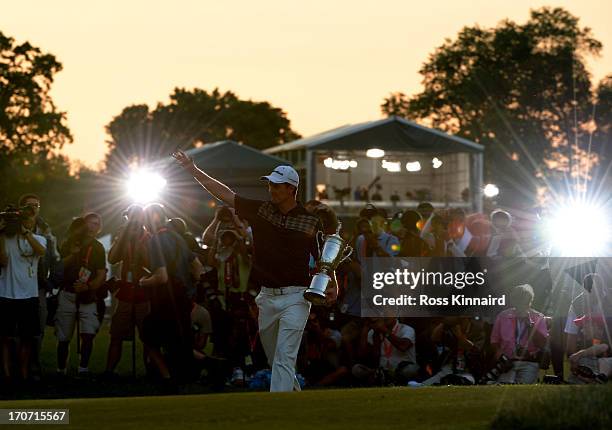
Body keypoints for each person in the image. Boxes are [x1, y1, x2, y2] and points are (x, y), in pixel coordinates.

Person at [173, 149, 334, 392]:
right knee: (276, 360)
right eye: (270, 185)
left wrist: (332, 284)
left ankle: (279, 415)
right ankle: (298, 403)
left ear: (291, 189)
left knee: (283, 358)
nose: (271, 189)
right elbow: (224, 194)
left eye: (277, 186)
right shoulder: (261, 210)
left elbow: (324, 259)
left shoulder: (311, 221)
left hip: (297, 297)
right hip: (266, 298)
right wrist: (192, 170)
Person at [139, 203, 203, 389]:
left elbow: (161, 276)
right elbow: (197, 267)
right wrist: (191, 288)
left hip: (165, 298)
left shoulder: (155, 241)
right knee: (178, 342)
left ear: (154, 218)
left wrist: (143, 281)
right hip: (183, 297)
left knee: (148, 335)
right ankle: (208, 366)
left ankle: (168, 378)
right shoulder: (178, 237)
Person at [55, 214, 106, 377]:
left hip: (88, 296)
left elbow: (101, 274)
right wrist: (73, 254)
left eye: (97, 224)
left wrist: (88, 286)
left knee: (88, 334)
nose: (94, 226)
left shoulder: (98, 247)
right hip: (68, 294)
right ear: (84, 224)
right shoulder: (68, 242)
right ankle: (61, 370)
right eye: (91, 223)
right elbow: (59, 267)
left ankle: (83, 369)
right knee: (63, 337)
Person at [103, 205, 151, 379]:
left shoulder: (148, 237)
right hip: (125, 293)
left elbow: (151, 263)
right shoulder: (122, 237)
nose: (133, 221)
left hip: (144, 292)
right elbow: (113, 258)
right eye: (130, 217)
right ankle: (109, 371)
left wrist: (139, 243)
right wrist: (123, 236)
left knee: (148, 337)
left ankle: (150, 370)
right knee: (116, 335)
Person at [0, 206, 47, 385]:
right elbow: (3, 261)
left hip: (29, 295)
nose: (25, 222)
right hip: (6, 294)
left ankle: (24, 373)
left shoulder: (39, 239)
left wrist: (25, 233)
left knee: (27, 337)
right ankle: (6, 374)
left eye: (28, 220)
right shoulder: (4, 238)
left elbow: (41, 252)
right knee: (5, 337)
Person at [490, 284, 548, 384]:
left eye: (524, 301)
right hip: (508, 362)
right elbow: (494, 340)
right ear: (513, 301)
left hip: (529, 362)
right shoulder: (503, 316)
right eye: (518, 300)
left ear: (530, 301)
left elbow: (542, 343)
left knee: (523, 387)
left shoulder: (538, 317)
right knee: (504, 386)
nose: (521, 304)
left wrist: (529, 324)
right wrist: (500, 356)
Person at [352, 317, 419, 386]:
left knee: (410, 370)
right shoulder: (374, 332)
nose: (385, 316)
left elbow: (403, 346)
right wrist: (366, 330)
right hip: (382, 370)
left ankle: (389, 380)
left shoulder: (407, 329)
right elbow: (362, 354)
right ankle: (383, 378)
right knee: (356, 369)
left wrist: (384, 331)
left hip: (401, 370)